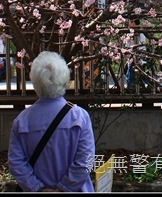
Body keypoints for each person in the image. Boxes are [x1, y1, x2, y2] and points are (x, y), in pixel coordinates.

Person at [8, 52, 96, 192]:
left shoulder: (22, 120)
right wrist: (64, 188)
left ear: (34, 81)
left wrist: (38, 189)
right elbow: (87, 160)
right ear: (64, 79)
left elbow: (16, 163)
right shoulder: (79, 116)